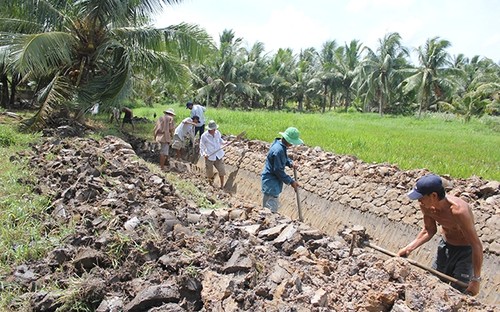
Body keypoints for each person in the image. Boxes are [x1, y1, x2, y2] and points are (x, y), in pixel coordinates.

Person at [397, 174, 483, 296]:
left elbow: (476, 245)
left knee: (458, 293)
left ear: (433, 196)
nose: (419, 200)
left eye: (421, 197)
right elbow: (429, 230)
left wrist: (476, 279)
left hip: (465, 253)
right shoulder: (426, 206)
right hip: (445, 247)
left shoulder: (459, 211)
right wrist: (408, 249)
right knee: (433, 284)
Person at [261, 127, 303, 213]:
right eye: (291, 143)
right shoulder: (278, 150)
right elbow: (278, 170)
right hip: (271, 182)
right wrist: (291, 182)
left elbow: (283, 159)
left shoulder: (279, 145)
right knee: (270, 210)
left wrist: (290, 163)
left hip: (272, 181)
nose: (292, 145)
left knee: (271, 205)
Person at [199, 120, 226, 188]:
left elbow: (220, 140)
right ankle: (210, 184)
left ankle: (222, 186)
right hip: (209, 156)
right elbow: (202, 146)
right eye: (212, 129)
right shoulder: (204, 136)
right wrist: (204, 154)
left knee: (221, 170)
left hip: (218, 155)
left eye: (214, 129)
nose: (214, 130)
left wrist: (224, 142)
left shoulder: (217, 133)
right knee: (209, 172)